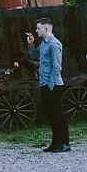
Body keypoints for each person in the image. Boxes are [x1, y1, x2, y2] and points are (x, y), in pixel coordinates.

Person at [28, 17, 70, 153]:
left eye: (38, 28)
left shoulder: (53, 44)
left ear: (46, 29)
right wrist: (31, 44)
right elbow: (34, 55)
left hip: (53, 84)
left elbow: (57, 66)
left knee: (58, 114)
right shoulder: (44, 43)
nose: (36, 30)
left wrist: (51, 84)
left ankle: (64, 142)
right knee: (50, 114)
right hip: (44, 83)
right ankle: (55, 142)